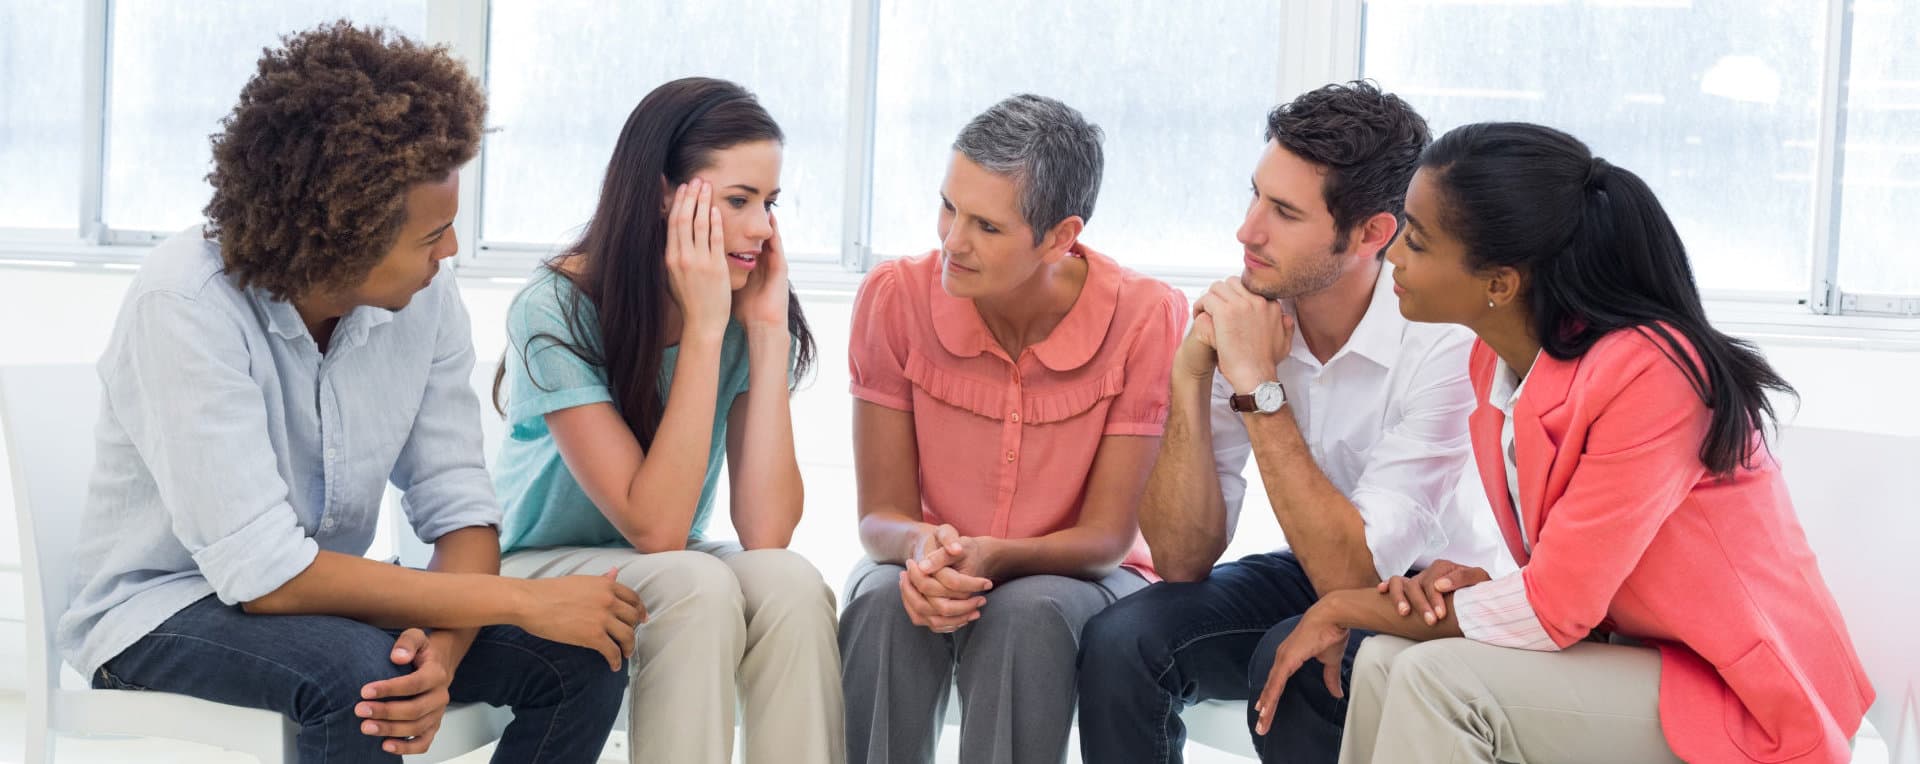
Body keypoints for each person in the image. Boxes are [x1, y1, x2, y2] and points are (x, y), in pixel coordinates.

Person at [58, 21, 636, 763]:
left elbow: (461, 510)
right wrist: (524, 600)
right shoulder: (185, 304)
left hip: (324, 601)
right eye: (432, 236)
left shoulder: (426, 302)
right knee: (360, 682)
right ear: (343, 234)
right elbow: (266, 579)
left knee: (582, 653)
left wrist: (446, 652)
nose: (451, 252)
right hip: (160, 610)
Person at [1259, 121, 1874, 764]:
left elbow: (1554, 609)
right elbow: (1565, 578)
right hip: (1632, 659)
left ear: (1499, 283)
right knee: (1384, 658)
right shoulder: (1495, 365)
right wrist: (1468, 593)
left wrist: (1342, 605)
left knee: (1439, 680)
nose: (1395, 258)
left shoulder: (1654, 370)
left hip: (1743, 692)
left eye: (1417, 238)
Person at [1076, 81, 1499, 764]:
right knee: (1122, 640)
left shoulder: (1444, 340)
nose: (1247, 230)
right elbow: (1182, 558)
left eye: (1283, 211)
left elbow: (1353, 576)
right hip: (1326, 556)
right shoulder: (1253, 312)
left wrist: (1258, 387)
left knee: (1301, 660)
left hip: (1444, 597)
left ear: (1372, 234)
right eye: (1254, 194)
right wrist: (1192, 374)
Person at [490, 77, 842, 764]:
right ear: (662, 194)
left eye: (768, 203)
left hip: (653, 560)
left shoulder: (745, 306)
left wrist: (767, 334)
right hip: (531, 563)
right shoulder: (554, 308)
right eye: (738, 200)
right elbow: (656, 528)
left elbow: (766, 533)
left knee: (792, 582)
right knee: (692, 583)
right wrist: (706, 329)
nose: (761, 228)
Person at [838, 93, 1185, 764]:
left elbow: (1107, 539)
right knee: (884, 604)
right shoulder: (895, 299)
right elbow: (879, 515)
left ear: (1061, 236)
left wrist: (993, 556)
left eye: (986, 228)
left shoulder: (1145, 317)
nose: (951, 241)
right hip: (933, 558)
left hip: (1081, 574)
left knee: (1027, 616)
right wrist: (923, 548)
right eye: (949, 207)